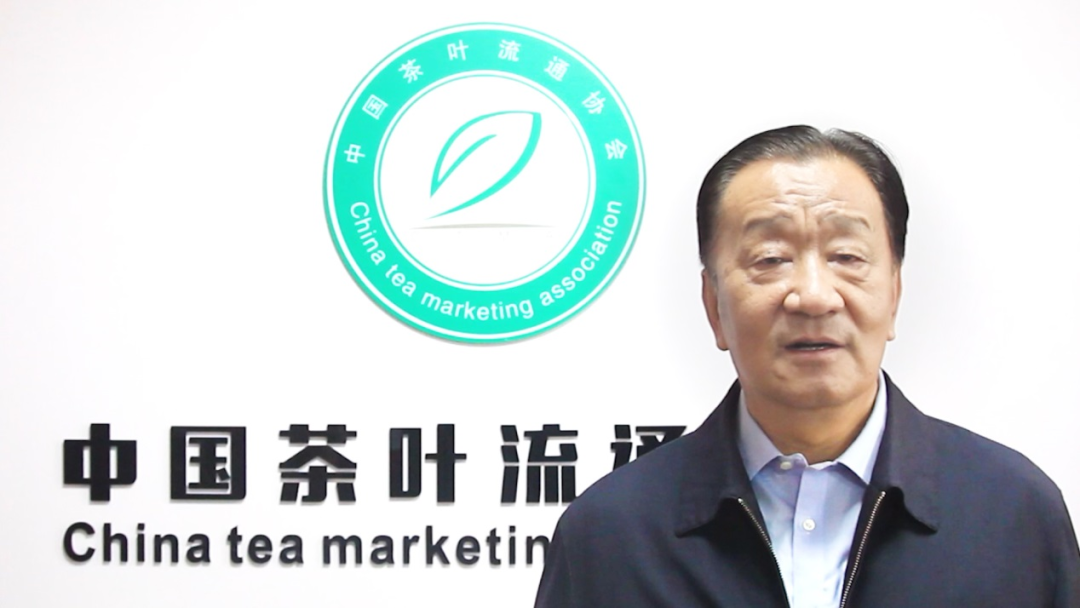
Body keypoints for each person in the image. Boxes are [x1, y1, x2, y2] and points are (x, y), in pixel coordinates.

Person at [533, 126, 1080, 607]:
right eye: (770, 259)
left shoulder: (1012, 514)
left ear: (894, 292)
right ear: (713, 306)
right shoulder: (611, 535)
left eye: (847, 257)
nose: (814, 296)